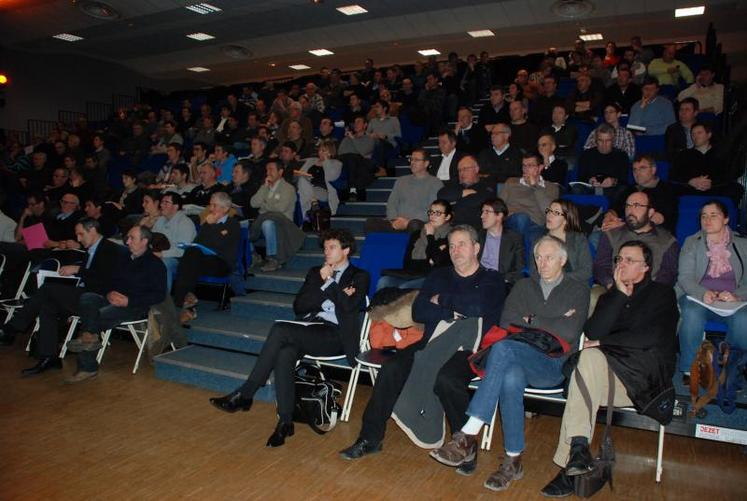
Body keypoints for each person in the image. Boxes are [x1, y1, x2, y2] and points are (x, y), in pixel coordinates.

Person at [430, 235, 589, 492]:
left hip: (552, 364)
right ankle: (513, 460)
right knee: (509, 376)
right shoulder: (524, 286)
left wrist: (529, 319)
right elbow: (507, 322)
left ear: (563, 260)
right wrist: (551, 319)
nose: (542, 262)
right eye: (538, 257)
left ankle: (468, 433)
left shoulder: (578, 289)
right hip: (517, 358)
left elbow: (570, 331)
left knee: (502, 348)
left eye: (549, 257)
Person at [340, 225, 505, 460]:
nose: (455, 250)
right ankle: (370, 437)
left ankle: (464, 446)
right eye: (452, 245)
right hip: (432, 342)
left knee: (447, 379)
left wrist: (443, 301)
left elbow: (479, 307)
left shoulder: (493, 279)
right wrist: (456, 310)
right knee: (392, 368)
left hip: (470, 349)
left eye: (462, 244)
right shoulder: (439, 276)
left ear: (476, 248)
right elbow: (419, 311)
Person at [542, 240, 679, 496]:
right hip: (605, 377)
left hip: (642, 382)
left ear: (646, 267)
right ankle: (578, 450)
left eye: (630, 260)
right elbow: (591, 331)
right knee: (590, 361)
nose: (621, 264)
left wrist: (605, 342)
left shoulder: (662, 294)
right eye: (619, 259)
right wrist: (617, 295)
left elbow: (650, 338)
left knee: (589, 363)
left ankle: (568, 465)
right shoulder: (610, 296)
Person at [209, 229, 369, 447]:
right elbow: (299, 306)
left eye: (332, 247)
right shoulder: (316, 272)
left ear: (346, 250)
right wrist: (328, 289)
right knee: (285, 353)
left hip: (336, 336)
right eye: (325, 248)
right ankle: (285, 422)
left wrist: (329, 284)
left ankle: (246, 394)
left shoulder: (359, 276)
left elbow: (349, 306)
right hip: (310, 328)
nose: (326, 252)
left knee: (280, 329)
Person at [0, 219, 124, 373]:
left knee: (47, 289)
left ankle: (12, 328)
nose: (78, 238)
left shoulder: (111, 249)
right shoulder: (91, 250)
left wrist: (78, 270)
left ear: (92, 230)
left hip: (96, 298)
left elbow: (106, 279)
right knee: (47, 305)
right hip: (84, 294)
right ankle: (48, 356)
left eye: (81, 234)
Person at [64, 225, 167, 383]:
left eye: (132, 238)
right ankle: (90, 336)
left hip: (135, 305)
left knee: (96, 316)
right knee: (88, 298)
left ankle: (87, 365)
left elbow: (159, 295)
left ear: (145, 241)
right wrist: (109, 292)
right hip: (113, 298)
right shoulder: (123, 259)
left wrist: (128, 300)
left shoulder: (155, 264)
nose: (127, 242)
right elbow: (107, 280)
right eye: (127, 238)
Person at [676, 200, 747, 383]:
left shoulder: (742, 245)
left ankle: (732, 369)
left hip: (732, 300)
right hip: (697, 297)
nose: (707, 220)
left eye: (713, 215)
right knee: (691, 313)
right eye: (703, 216)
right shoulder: (692, 242)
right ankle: (690, 368)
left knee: (743, 319)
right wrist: (702, 293)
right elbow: (685, 277)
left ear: (726, 219)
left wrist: (737, 295)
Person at [173, 192, 240, 322]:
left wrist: (212, 225)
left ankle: (180, 304)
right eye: (210, 205)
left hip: (222, 263)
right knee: (191, 253)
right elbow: (199, 241)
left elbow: (219, 244)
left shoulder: (233, 224)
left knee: (191, 258)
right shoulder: (207, 223)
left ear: (225, 208)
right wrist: (208, 226)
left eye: (214, 205)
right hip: (204, 260)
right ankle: (187, 302)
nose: (211, 209)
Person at [594, 191, 679, 289]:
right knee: (594, 296)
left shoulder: (667, 240)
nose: (630, 210)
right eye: (628, 206)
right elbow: (600, 266)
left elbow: (669, 274)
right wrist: (611, 285)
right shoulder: (611, 234)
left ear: (650, 212)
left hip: (650, 294)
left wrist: (646, 293)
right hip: (615, 288)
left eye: (637, 205)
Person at [377, 199, 453, 290]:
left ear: (447, 216)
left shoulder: (451, 236)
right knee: (384, 281)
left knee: (405, 287)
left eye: (438, 213)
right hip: (412, 274)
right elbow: (407, 262)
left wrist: (430, 236)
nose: (432, 216)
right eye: (431, 212)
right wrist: (430, 259)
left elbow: (437, 260)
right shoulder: (417, 234)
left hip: (433, 277)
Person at [365, 148, 442, 234]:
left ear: (426, 163)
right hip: (397, 222)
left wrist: (407, 222)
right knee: (371, 223)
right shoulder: (401, 181)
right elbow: (391, 203)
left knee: (415, 225)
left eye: (416, 160)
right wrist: (394, 220)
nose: (412, 162)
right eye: (411, 159)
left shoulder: (435, 183)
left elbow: (432, 210)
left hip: (418, 223)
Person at [249, 160, 304, 273]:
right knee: (243, 224)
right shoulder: (265, 187)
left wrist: (264, 205)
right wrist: (264, 187)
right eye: (267, 170)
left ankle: (273, 258)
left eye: (271, 169)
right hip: (265, 218)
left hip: (283, 223)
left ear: (280, 172)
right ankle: (253, 255)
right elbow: (253, 203)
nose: (268, 172)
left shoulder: (288, 188)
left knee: (267, 223)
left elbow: (281, 209)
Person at [671, 121, 744, 206]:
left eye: (699, 133)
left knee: (736, 188)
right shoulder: (684, 154)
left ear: (709, 135)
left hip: (715, 189)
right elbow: (673, 174)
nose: (695, 136)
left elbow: (730, 174)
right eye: (693, 134)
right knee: (670, 189)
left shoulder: (720, 153)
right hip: (691, 189)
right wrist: (690, 181)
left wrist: (712, 183)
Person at [604, 154, 679, 234]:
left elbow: (657, 219)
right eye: (634, 169)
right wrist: (610, 215)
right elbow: (616, 208)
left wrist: (622, 225)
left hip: (656, 236)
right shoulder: (630, 189)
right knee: (597, 236)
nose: (637, 173)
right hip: (627, 233)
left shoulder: (667, 190)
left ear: (653, 170)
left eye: (642, 168)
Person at [499, 152, 560, 248]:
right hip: (512, 221)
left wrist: (535, 186)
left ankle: (519, 254)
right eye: (523, 165)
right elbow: (499, 206)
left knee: (536, 241)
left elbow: (549, 212)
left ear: (540, 168)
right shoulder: (512, 182)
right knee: (522, 219)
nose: (525, 169)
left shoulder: (551, 187)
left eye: (530, 165)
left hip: (536, 225)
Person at [530, 199, 592, 284]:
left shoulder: (578, 239)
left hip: (574, 285)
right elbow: (534, 272)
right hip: (546, 286)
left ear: (566, 220)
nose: (549, 215)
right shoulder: (539, 241)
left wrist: (559, 278)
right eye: (549, 210)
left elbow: (586, 271)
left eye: (556, 213)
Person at [152, 191, 197, 292]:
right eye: (162, 202)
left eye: (166, 202)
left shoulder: (185, 223)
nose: (161, 205)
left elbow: (182, 251)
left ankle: (163, 303)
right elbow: (152, 239)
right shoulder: (160, 220)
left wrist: (160, 254)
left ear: (176, 206)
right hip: (161, 253)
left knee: (163, 263)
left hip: (180, 260)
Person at [574, 124, 629, 201]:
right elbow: (581, 177)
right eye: (601, 140)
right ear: (596, 141)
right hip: (591, 188)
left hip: (611, 190)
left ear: (613, 140)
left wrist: (613, 181)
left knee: (623, 190)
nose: (604, 144)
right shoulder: (586, 155)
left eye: (608, 140)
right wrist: (590, 181)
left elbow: (624, 179)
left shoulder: (621, 156)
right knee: (577, 188)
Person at [437, 155, 495, 230]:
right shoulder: (456, 184)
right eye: (459, 170)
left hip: (473, 227)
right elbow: (441, 194)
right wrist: (462, 193)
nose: (461, 173)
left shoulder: (486, 184)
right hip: (449, 226)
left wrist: (454, 201)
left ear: (476, 169)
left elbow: (481, 200)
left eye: (465, 169)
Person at [477, 198, 525, 287]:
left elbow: (519, 268)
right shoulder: (478, 235)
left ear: (499, 215)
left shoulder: (514, 238)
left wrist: (503, 279)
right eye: (482, 212)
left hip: (502, 282)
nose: (482, 216)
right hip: (479, 280)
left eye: (487, 212)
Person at [296, 139, 342, 217]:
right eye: (319, 150)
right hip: (308, 187)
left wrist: (326, 160)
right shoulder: (312, 161)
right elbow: (299, 173)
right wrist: (306, 176)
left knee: (302, 193)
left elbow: (332, 177)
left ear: (330, 152)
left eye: (323, 150)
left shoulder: (336, 163)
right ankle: (313, 202)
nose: (320, 152)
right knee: (302, 182)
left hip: (323, 191)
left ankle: (304, 217)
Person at [665, 97, 699, 161]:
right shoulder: (672, 129)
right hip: (681, 161)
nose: (683, 112)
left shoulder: (704, 127)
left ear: (695, 113)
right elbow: (670, 153)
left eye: (687, 109)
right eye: (681, 109)